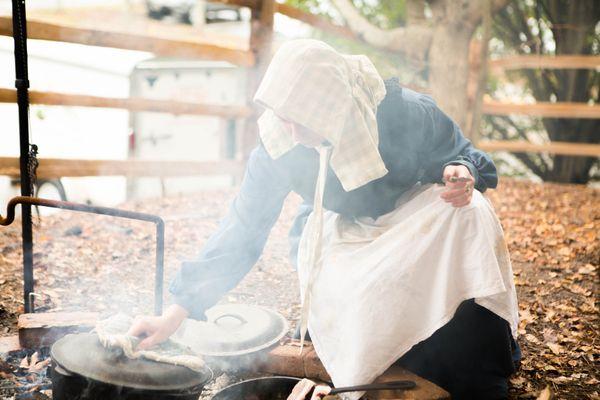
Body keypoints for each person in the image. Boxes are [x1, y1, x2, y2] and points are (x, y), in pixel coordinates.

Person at [128, 39, 520, 400]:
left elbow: (465, 152)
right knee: (354, 283)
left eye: (303, 119)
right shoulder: (280, 142)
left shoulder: (403, 113)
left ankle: (468, 356)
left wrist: (461, 170)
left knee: (472, 212)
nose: (293, 133)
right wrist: (175, 314)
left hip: (408, 218)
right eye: (284, 117)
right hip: (338, 225)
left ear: (334, 106)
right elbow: (243, 226)